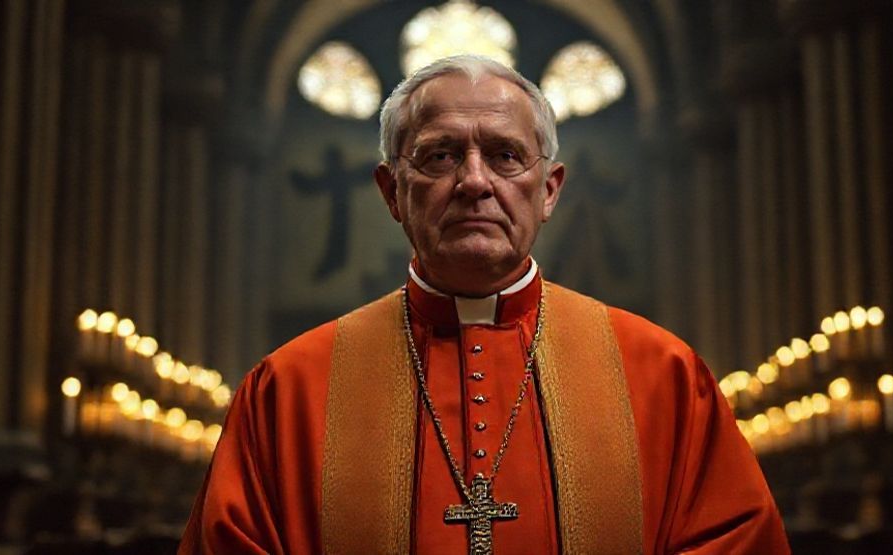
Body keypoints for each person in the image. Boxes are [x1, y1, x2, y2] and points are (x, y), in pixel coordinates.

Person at [179, 55, 790, 554]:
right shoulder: (287, 390)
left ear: (548, 190)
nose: (475, 182)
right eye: (440, 156)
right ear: (392, 191)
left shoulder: (663, 375)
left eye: (505, 155)